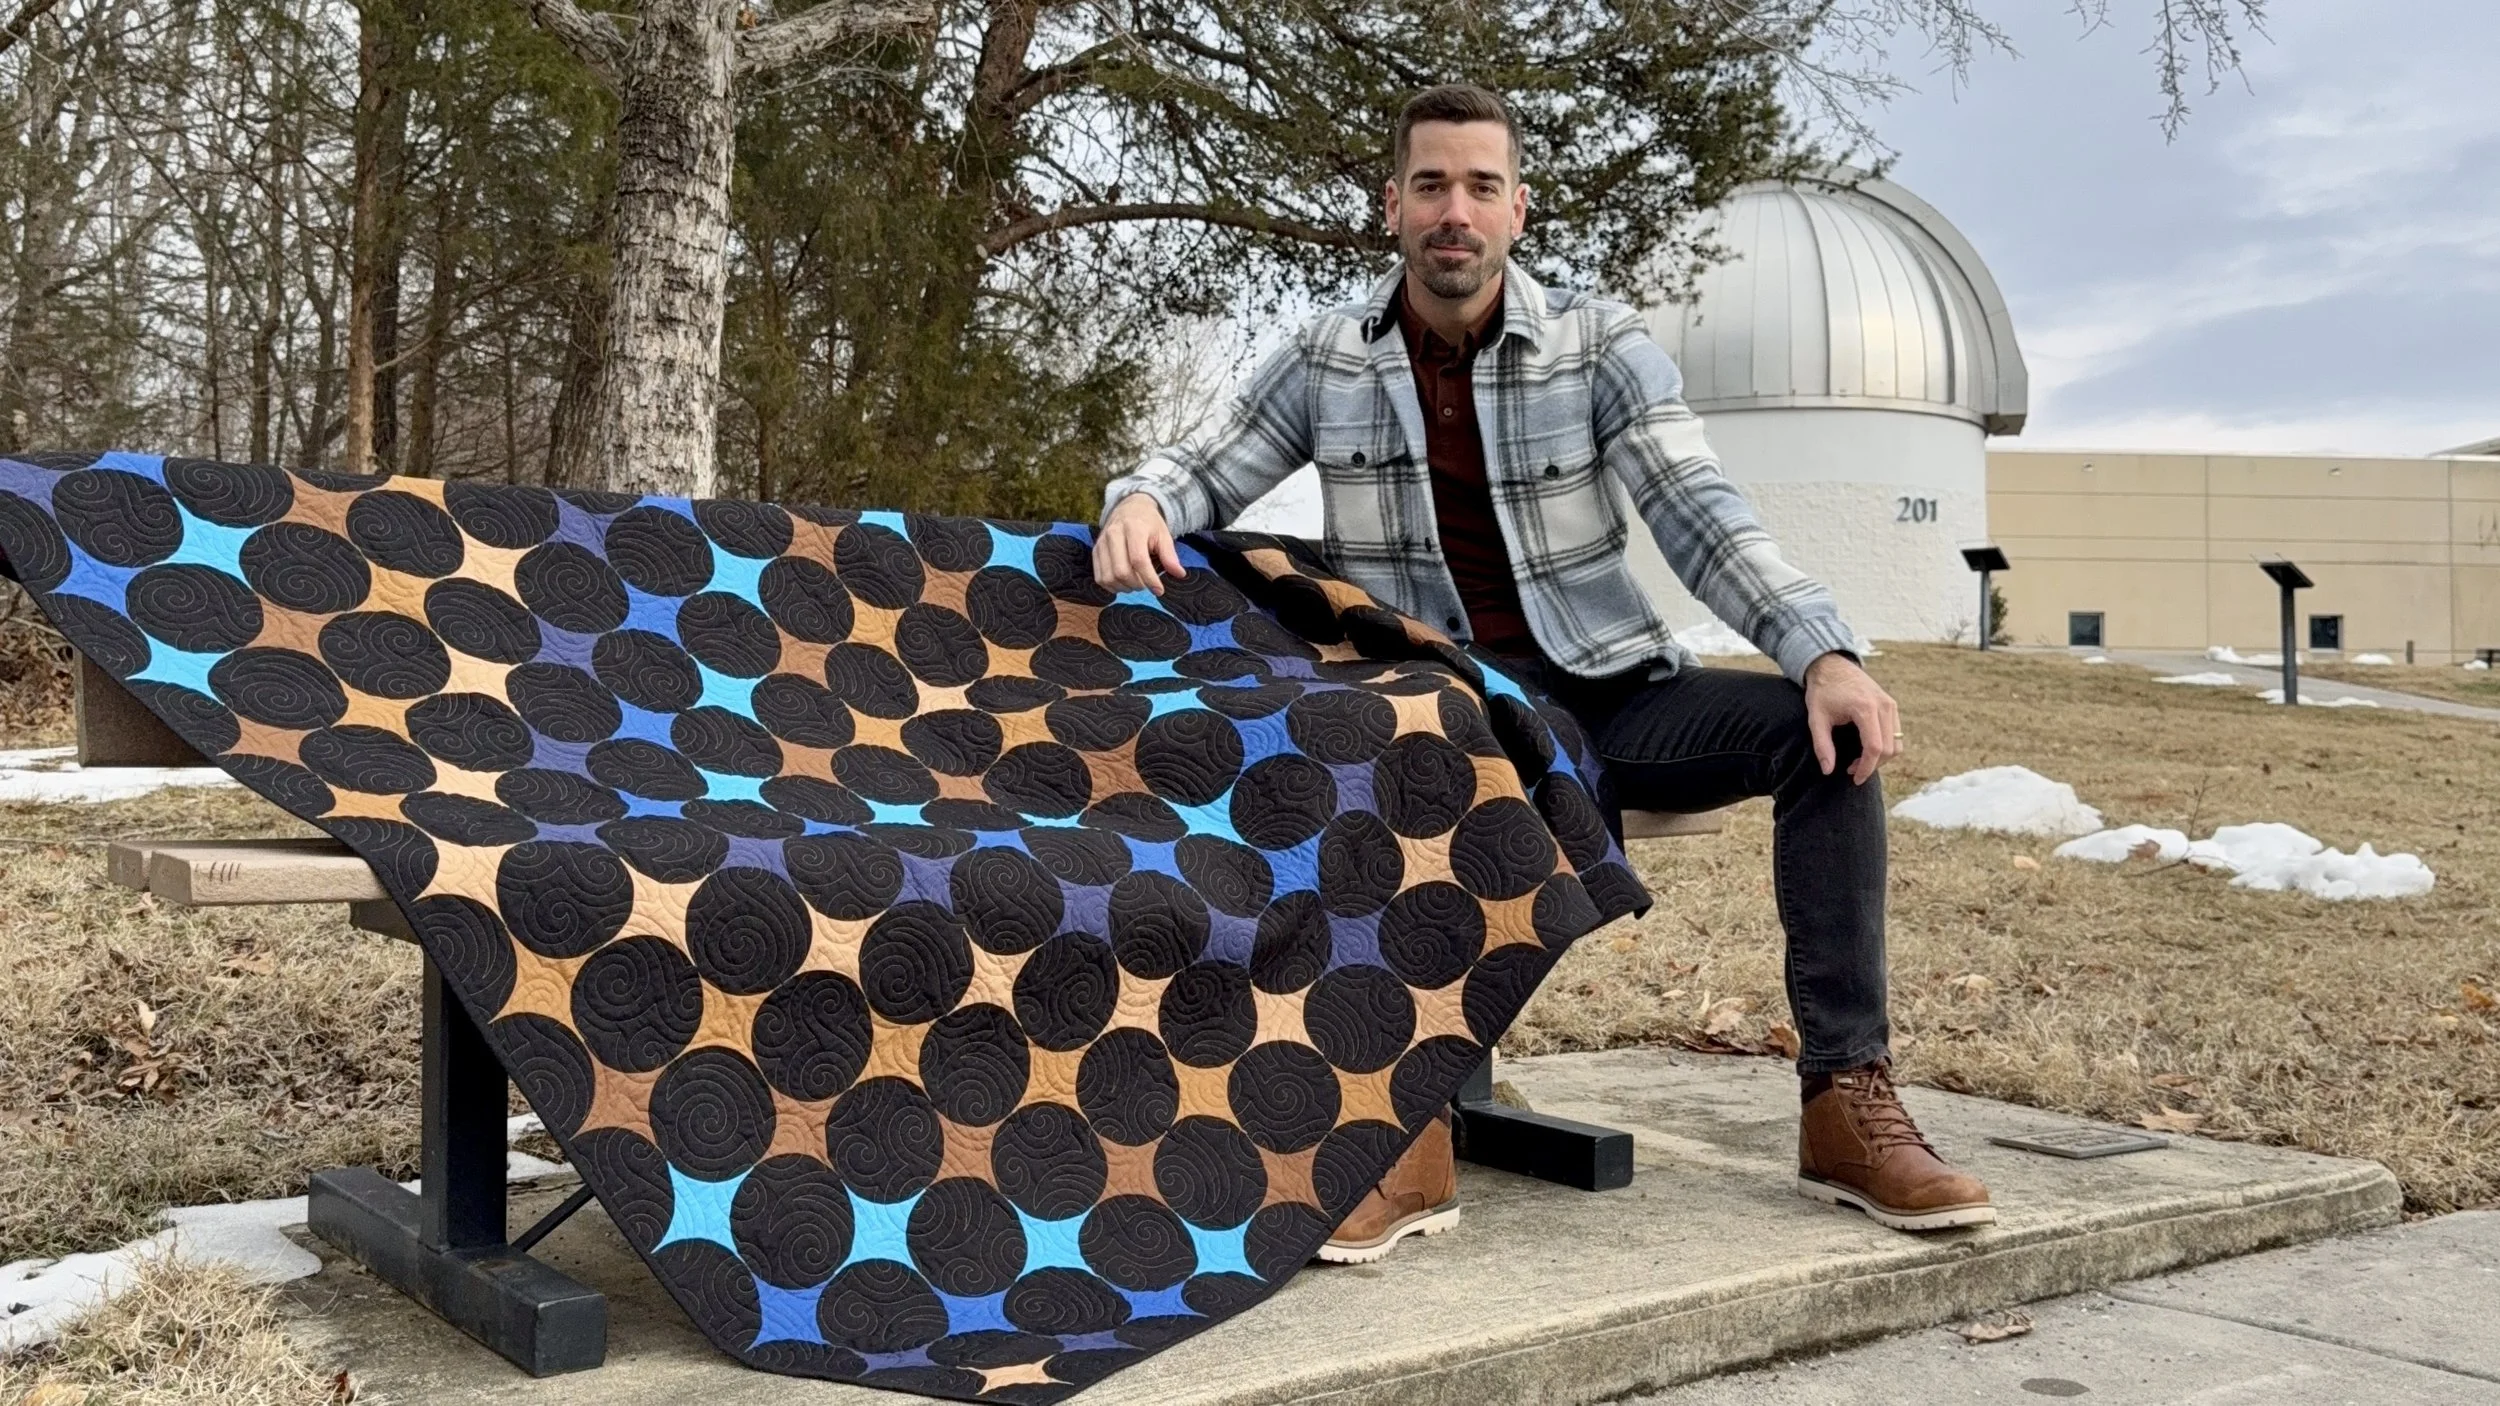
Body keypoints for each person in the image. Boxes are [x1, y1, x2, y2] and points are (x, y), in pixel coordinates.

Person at [1092, 83, 1996, 1261]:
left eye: (1478, 187)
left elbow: (1701, 518)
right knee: (1417, 740)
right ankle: (1399, 1128)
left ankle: (1845, 1102)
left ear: (1518, 210)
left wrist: (1818, 650)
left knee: (1817, 737)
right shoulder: (1327, 356)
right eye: (1429, 186)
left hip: (1608, 688)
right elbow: (1203, 464)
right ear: (1392, 208)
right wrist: (1142, 497)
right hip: (1445, 699)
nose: (1452, 211)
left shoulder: (1599, 344)